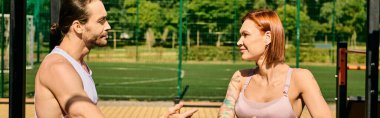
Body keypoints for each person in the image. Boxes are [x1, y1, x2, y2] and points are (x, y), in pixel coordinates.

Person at [34, 0, 197, 117]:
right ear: (78, 26)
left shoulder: (79, 65)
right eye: (101, 21)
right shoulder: (58, 67)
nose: (108, 26)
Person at [218, 10, 332, 118]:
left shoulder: (300, 78)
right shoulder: (239, 78)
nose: (239, 42)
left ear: (268, 37)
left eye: (245, 35)